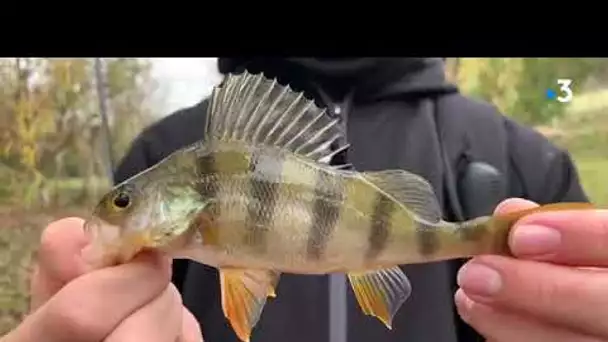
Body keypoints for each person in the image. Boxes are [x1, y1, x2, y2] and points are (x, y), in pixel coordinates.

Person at [5, 58, 608, 342]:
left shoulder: (526, 163)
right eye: (121, 205)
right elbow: (241, 280)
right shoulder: (161, 151)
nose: (113, 215)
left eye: (121, 204)